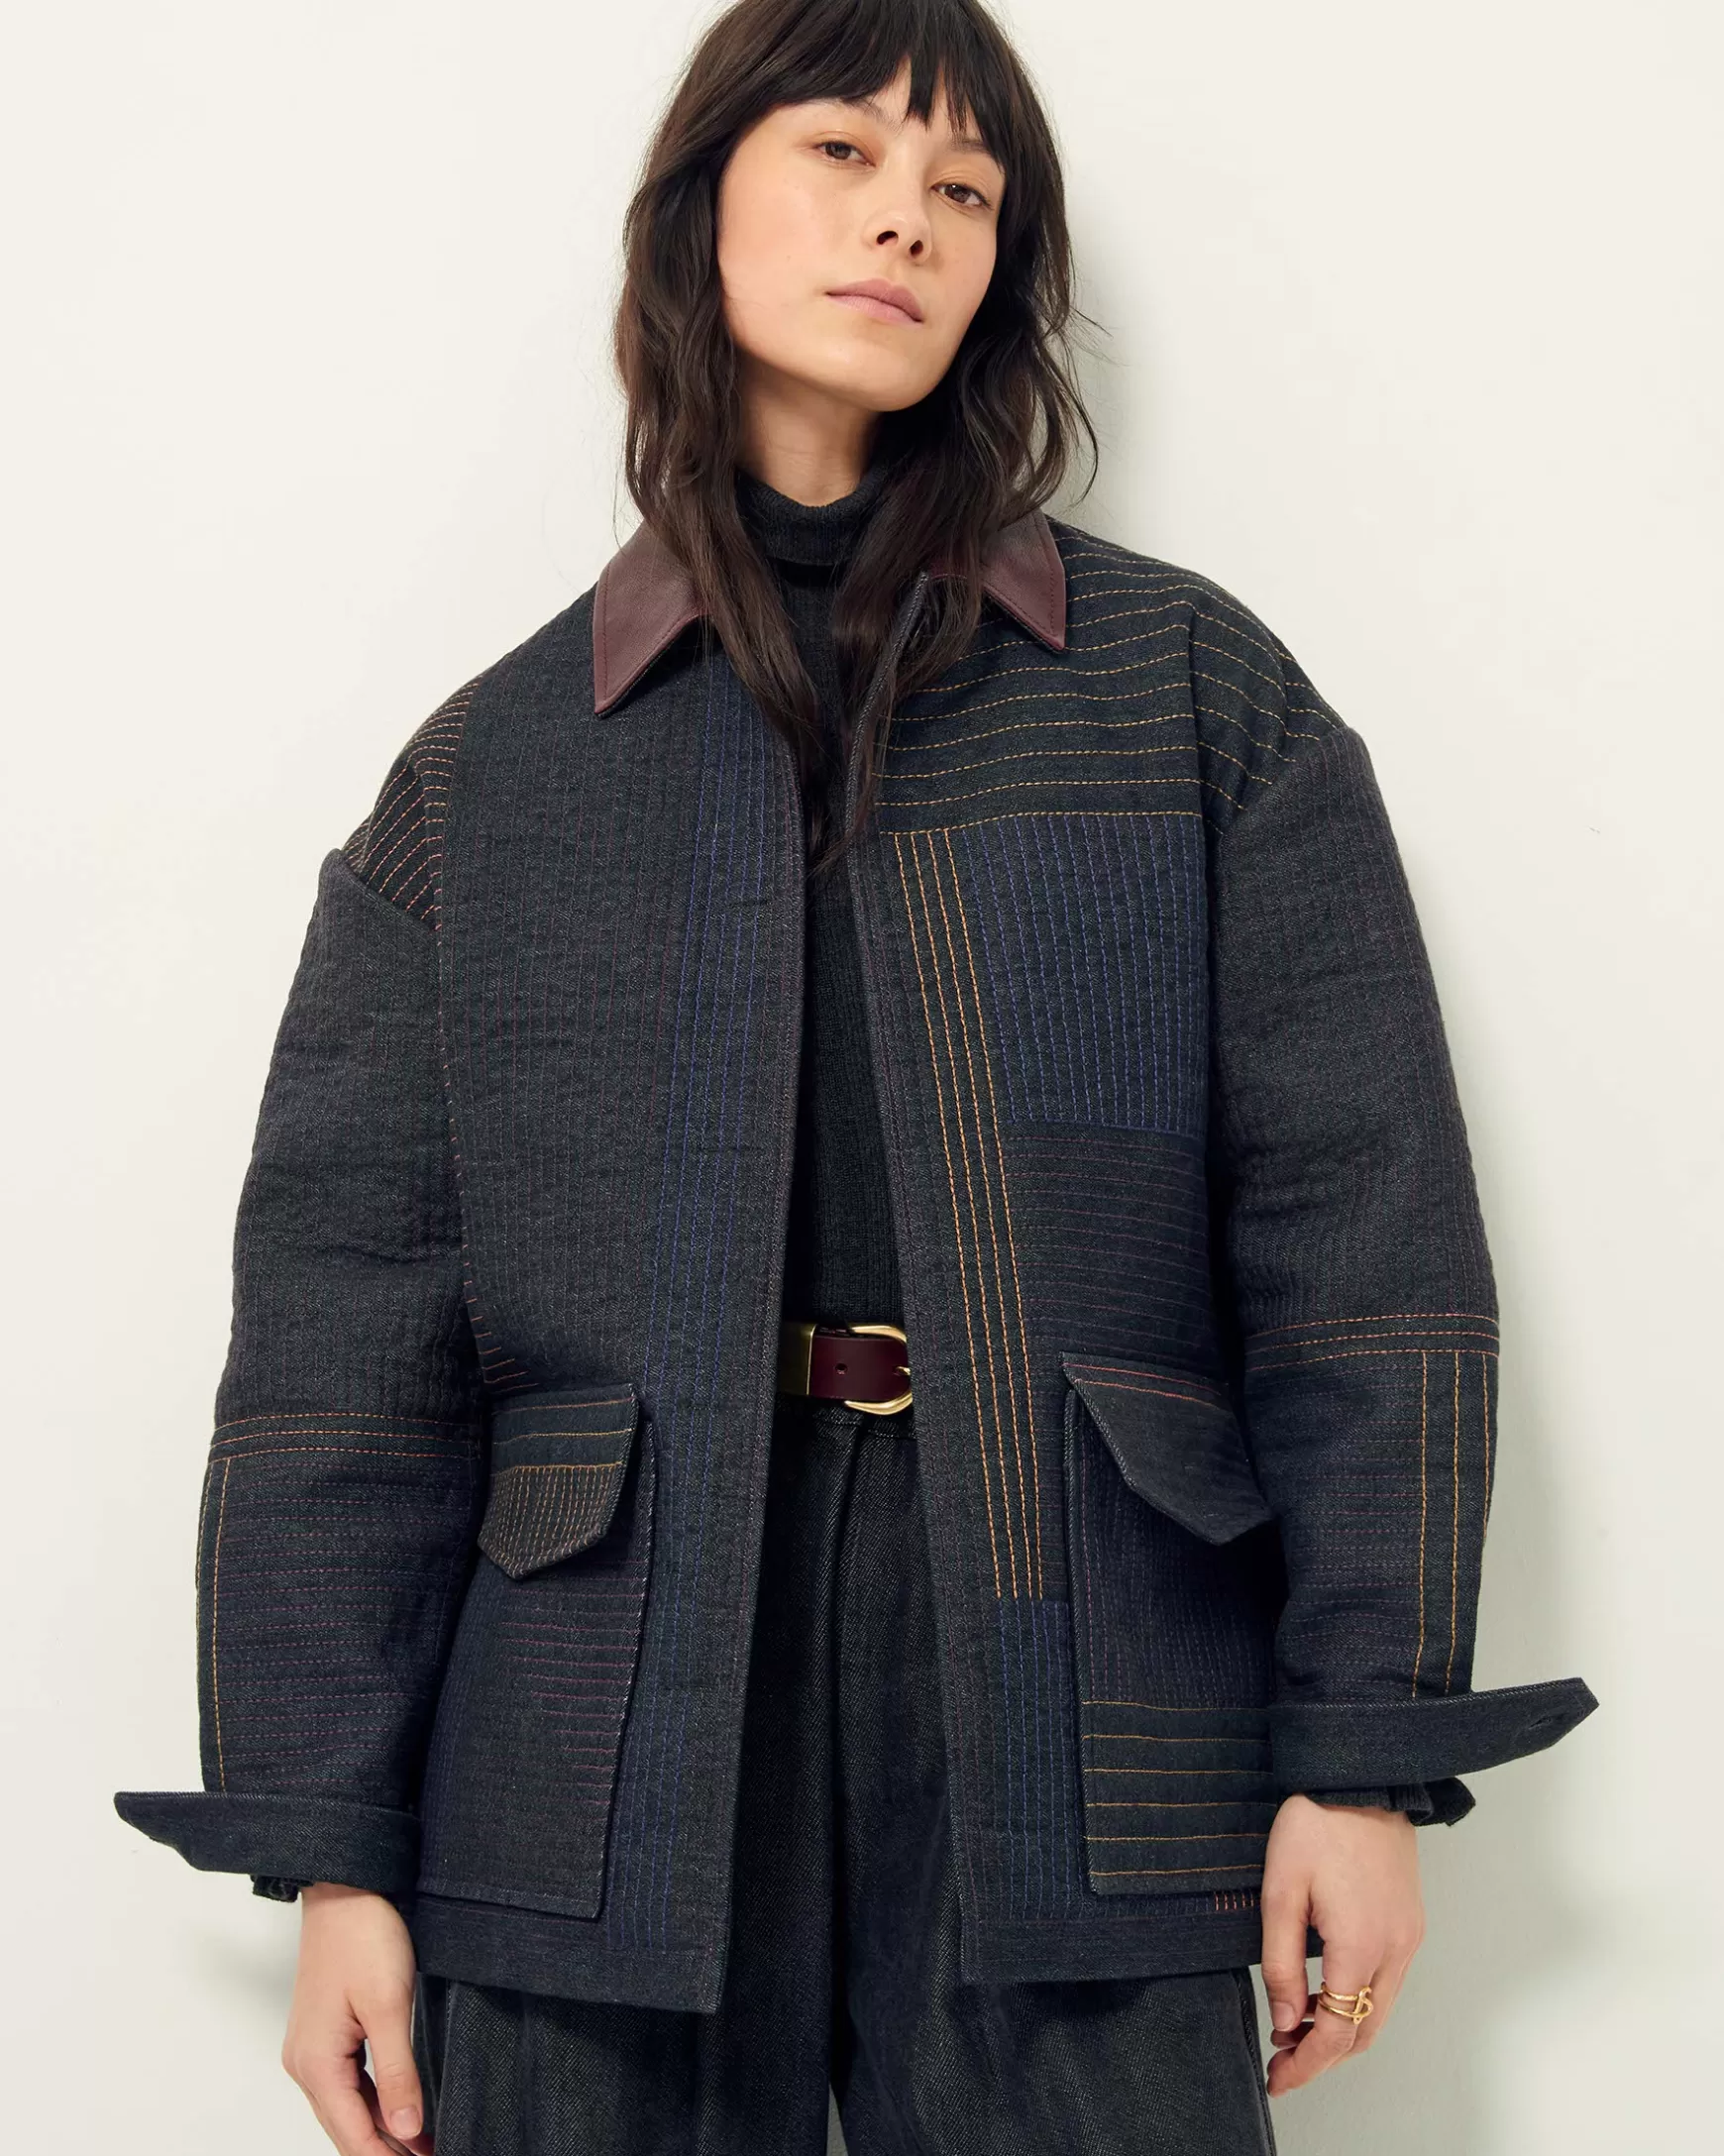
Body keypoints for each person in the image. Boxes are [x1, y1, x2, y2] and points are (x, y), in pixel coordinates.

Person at [114, 1, 1598, 2150]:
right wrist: (336, 1853)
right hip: (589, 1749)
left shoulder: (1194, 700)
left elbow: (1362, 1244)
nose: (906, 217)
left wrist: (1361, 1756)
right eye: (842, 151)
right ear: (699, 201)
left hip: (1090, 1701)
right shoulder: (494, 777)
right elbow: (346, 1342)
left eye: (965, 188)